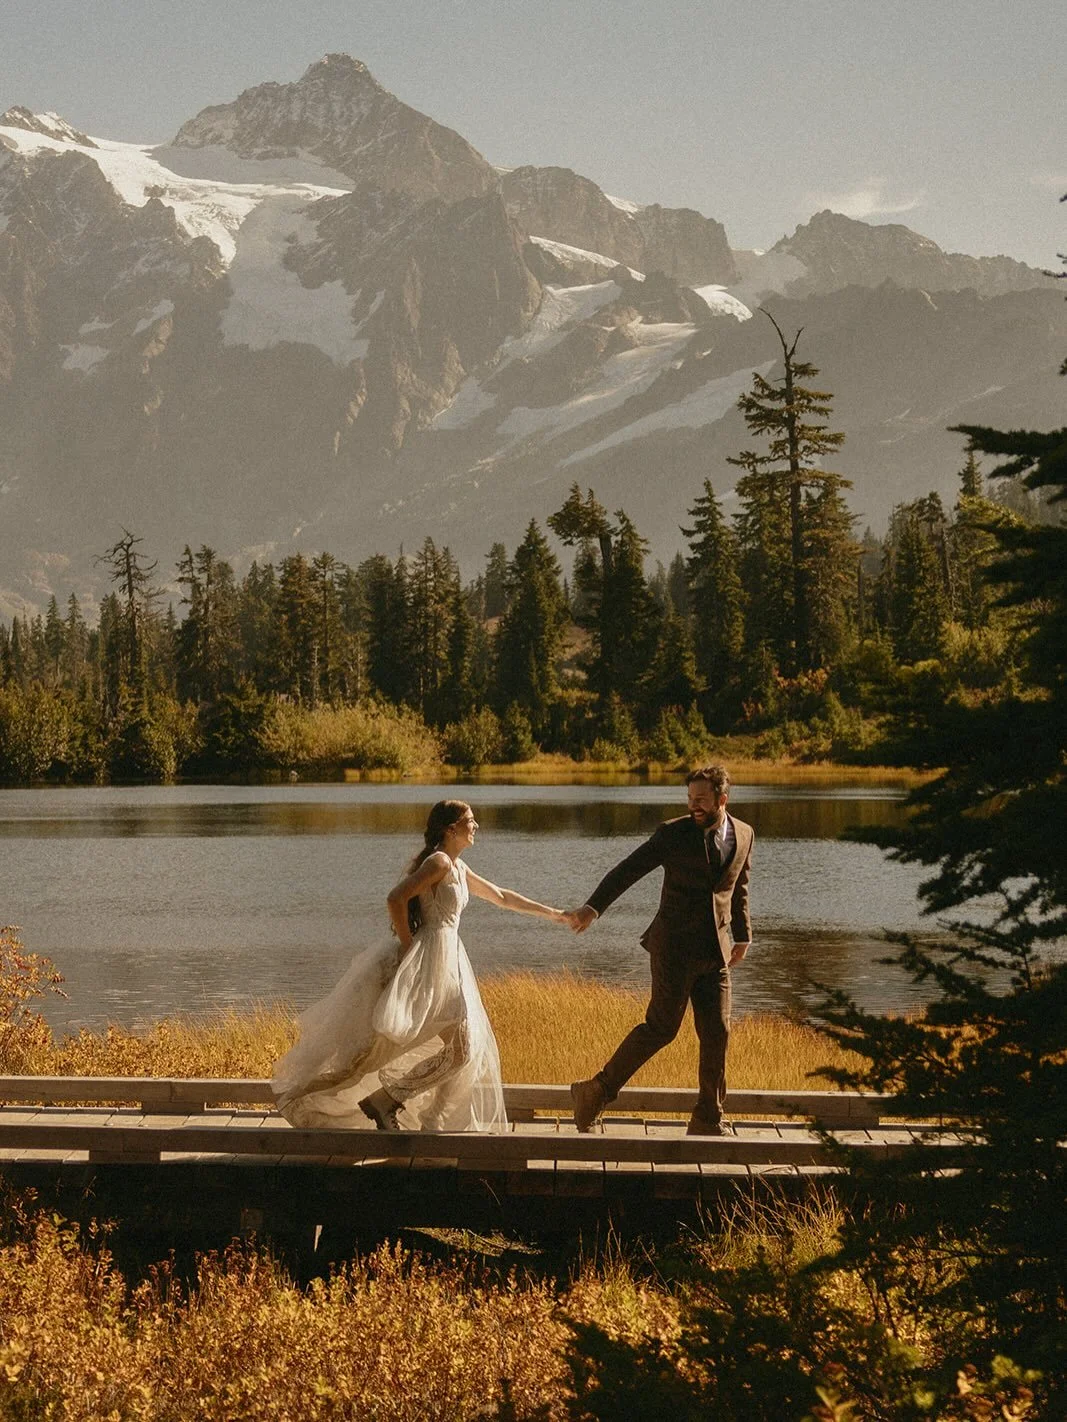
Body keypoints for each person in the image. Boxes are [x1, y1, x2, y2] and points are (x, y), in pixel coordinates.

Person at [273, 799, 565, 1133]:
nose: (477, 826)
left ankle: (399, 1104)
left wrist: (554, 914)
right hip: (432, 958)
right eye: (470, 820)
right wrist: (410, 946)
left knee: (461, 1049)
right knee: (432, 1050)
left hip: (449, 958)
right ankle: (376, 1101)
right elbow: (395, 898)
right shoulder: (439, 862)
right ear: (450, 828)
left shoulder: (457, 866)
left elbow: (501, 895)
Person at [564, 765, 753, 1136]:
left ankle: (707, 1118)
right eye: (690, 799)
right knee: (662, 1028)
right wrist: (593, 907)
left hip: (716, 952)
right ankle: (597, 1090)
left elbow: (739, 888)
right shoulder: (673, 834)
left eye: (701, 800)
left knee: (718, 1031)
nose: (693, 806)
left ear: (722, 799)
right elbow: (628, 870)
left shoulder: (745, 834)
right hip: (674, 949)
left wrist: (743, 935)